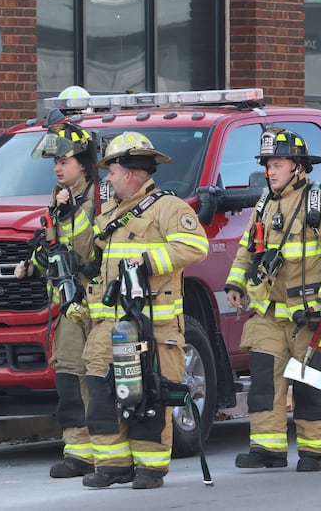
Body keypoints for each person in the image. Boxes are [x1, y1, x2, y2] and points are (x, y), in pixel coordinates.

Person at [225, 126, 321, 473]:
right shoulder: (265, 204)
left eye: (277, 164)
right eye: (268, 164)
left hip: (309, 316)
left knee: (310, 383)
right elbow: (246, 250)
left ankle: (313, 451)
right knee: (265, 382)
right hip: (268, 312)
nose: (270, 171)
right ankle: (268, 449)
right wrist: (235, 284)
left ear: (297, 166)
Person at [82, 131, 209, 490]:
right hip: (109, 326)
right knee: (102, 391)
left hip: (156, 325)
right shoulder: (110, 213)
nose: (107, 178)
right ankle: (112, 465)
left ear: (131, 173)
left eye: (112, 170)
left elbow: (196, 245)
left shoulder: (168, 208)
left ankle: (151, 468)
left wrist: (149, 260)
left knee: (150, 395)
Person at [15, 124, 98, 478]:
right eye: (55, 162)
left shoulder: (98, 199)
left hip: (98, 303)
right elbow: (51, 247)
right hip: (68, 307)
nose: (58, 168)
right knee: (67, 373)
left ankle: (105, 448)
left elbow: (85, 244)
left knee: (97, 375)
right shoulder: (58, 199)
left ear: (83, 163)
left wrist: (68, 210)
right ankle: (77, 450)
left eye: (64, 161)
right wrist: (29, 265)